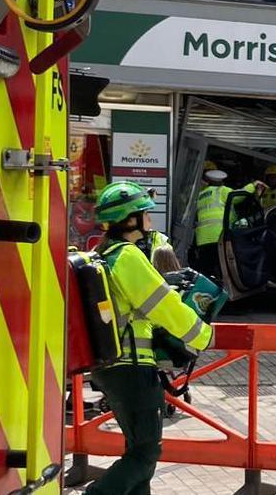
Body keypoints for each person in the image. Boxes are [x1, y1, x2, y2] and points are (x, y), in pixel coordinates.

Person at [85, 181, 214, 495]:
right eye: (145, 213)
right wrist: (204, 334)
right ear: (131, 219)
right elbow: (163, 306)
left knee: (137, 451)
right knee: (146, 454)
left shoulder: (101, 253)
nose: (149, 220)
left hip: (109, 367)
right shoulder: (128, 256)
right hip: (133, 370)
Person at [194, 169, 260, 279]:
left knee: (207, 270)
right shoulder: (222, 191)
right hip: (218, 236)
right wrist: (253, 185)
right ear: (222, 181)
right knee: (222, 269)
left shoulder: (201, 194)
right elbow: (238, 195)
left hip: (202, 239)